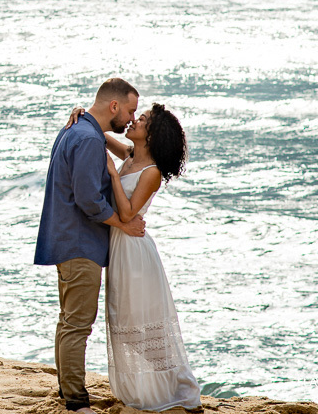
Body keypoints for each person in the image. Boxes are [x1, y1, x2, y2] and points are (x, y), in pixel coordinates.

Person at [35, 78, 146, 414]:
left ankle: (69, 392)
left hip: (71, 239)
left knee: (70, 321)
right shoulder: (86, 138)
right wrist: (123, 223)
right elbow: (89, 200)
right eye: (129, 110)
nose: (130, 118)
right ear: (114, 106)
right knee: (78, 324)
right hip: (80, 242)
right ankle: (75, 402)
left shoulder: (81, 131)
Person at [94, 103, 201, 411]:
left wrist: (112, 174)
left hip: (136, 253)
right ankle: (152, 386)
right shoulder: (129, 155)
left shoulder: (151, 171)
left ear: (152, 135)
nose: (134, 121)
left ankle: (175, 387)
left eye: (141, 120)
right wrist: (81, 112)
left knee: (140, 323)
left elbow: (128, 213)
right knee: (124, 320)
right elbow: (99, 134)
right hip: (120, 249)